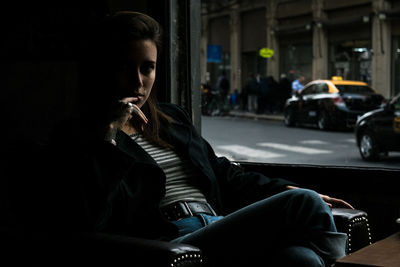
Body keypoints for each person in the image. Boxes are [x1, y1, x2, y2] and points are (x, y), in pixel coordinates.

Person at [48, 11, 353, 266]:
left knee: (302, 259)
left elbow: (224, 174)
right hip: (171, 242)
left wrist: (286, 189)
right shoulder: (80, 135)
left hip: (218, 224)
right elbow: (87, 217)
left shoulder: (172, 120)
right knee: (304, 203)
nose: (138, 82)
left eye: (148, 68)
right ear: (103, 69)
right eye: (125, 68)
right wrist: (109, 132)